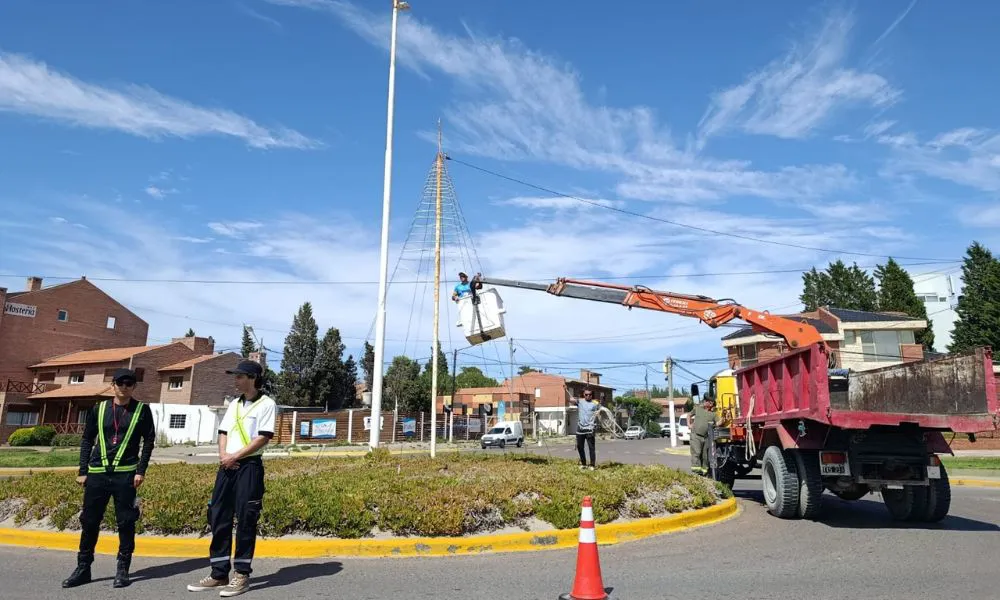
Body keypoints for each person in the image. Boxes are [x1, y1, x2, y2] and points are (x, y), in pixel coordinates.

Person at [188, 360, 276, 597]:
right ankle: (218, 574)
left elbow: (263, 437)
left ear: (253, 378)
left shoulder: (267, 404)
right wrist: (223, 456)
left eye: (239, 377)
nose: (235, 381)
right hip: (227, 466)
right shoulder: (234, 403)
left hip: (249, 467)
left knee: (247, 519)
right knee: (218, 516)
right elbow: (223, 432)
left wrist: (235, 455)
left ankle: (241, 575)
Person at [62, 368, 155, 589]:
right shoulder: (99, 408)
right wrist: (82, 471)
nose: (125, 387)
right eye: (121, 383)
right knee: (90, 521)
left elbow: (149, 441)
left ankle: (122, 569)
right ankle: (83, 567)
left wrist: (141, 471)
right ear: (113, 385)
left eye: (129, 383)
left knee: (126, 521)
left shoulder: (142, 410)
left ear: (134, 387)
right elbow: (87, 440)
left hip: (126, 475)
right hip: (97, 474)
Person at [570, 390, 600, 470]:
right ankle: (583, 464)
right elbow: (570, 400)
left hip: (590, 428)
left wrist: (599, 412)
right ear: (584, 394)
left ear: (591, 395)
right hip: (580, 428)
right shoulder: (580, 402)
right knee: (580, 447)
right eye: (586, 394)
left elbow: (602, 410)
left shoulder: (595, 403)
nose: (588, 396)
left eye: (590, 394)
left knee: (591, 448)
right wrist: (566, 391)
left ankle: (592, 465)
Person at [689, 394, 716, 476]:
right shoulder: (698, 409)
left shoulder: (713, 414)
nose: (706, 402)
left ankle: (704, 473)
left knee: (705, 456)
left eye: (708, 401)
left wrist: (724, 419)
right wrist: (689, 425)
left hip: (705, 437)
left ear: (711, 404)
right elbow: (689, 415)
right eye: (706, 401)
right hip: (696, 435)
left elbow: (717, 423)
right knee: (696, 452)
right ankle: (696, 472)